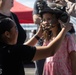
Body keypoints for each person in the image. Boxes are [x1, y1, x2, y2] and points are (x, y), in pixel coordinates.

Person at [0, 17, 72, 75]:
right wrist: (64, 29)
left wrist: (39, 34)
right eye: (15, 28)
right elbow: (50, 51)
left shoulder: (6, 50)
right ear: (7, 34)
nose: (17, 31)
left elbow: (24, 48)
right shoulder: (15, 51)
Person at [39, 6, 76, 75]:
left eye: (49, 19)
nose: (46, 22)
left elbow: (73, 58)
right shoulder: (47, 38)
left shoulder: (67, 37)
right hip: (49, 70)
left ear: (58, 20)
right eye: (44, 20)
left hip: (63, 71)